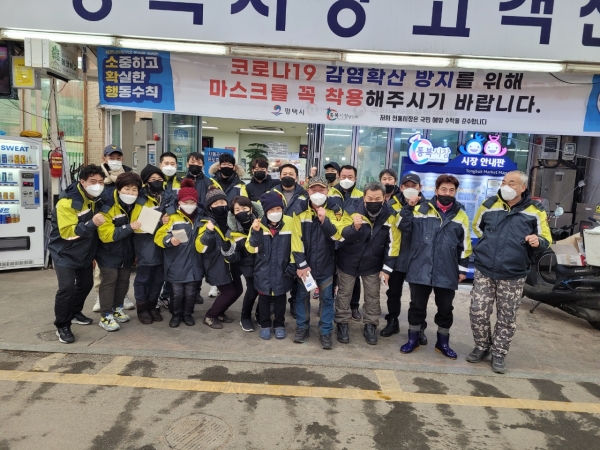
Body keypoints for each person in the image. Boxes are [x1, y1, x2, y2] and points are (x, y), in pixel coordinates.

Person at [467, 171, 551, 374]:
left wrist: (537, 241)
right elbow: (477, 227)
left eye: (512, 183)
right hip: (485, 269)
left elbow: (546, 239)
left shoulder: (535, 210)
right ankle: (482, 346)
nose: (506, 186)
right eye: (504, 182)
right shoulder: (489, 205)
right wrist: (489, 244)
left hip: (513, 273)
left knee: (507, 316)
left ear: (523, 187)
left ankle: (499, 353)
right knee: (478, 311)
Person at [399, 175, 472, 359]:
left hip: (447, 269)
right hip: (420, 266)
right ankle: (413, 339)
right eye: (443, 189)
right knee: (416, 306)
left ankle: (442, 343)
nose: (447, 193)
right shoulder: (420, 209)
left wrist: (463, 269)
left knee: (445, 308)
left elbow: (465, 244)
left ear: (455, 192)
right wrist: (408, 207)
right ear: (436, 190)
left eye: (451, 190)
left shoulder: (461, 215)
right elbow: (403, 227)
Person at [335, 182, 401, 346]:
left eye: (377, 199)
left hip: (373, 263)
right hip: (348, 261)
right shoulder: (351, 210)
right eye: (370, 198)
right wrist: (354, 227)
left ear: (384, 198)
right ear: (364, 197)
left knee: (372, 296)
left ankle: (371, 325)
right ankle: (342, 323)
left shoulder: (391, 215)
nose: (373, 201)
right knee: (344, 294)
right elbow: (340, 233)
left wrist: (387, 268)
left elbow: (393, 244)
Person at [48, 164, 106, 344]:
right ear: (82, 182)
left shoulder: (96, 199)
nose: (97, 185)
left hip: (85, 253)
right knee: (66, 288)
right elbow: (67, 233)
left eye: (101, 182)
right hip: (64, 252)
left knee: (86, 284)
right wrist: (92, 224)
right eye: (93, 181)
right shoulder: (67, 202)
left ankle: (74, 312)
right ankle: (62, 325)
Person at [292, 176, 342, 350]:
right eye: (314, 190)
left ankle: (325, 331)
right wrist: (301, 264)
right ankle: (302, 327)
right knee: (301, 297)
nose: (318, 193)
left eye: (322, 190)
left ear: (328, 191)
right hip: (305, 266)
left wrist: (324, 220)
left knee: (327, 299)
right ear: (308, 191)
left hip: (327, 264)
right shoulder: (299, 211)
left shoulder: (335, 210)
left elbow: (338, 236)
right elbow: (295, 239)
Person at [379, 171, 428, 344]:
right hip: (397, 255)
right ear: (401, 187)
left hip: (418, 257)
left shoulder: (427, 206)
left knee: (418, 296)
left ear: (420, 188)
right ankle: (392, 321)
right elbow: (394, 228)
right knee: (393, 292)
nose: (410, 189)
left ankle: (419, 327)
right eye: (406, 186)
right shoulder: (391, 204)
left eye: (414, 186)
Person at [246, 192, 299, 341]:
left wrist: (293, 264)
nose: (275, 212)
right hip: (263, 271)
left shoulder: (290, 222)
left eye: (278, 209)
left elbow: (296, 244)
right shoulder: (258, 224)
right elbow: (251, 248)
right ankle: (265, 325)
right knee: (264, 301)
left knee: (280, 300)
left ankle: (279, 325)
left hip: (282, 270)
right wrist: (256, 232)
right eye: (271, 210)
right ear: (265, 211)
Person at [96, 172, 143, 332]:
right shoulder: (107, 205)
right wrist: (129, 227)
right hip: (108, 252)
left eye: (134, 190)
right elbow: (106, 234)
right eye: (127, 189)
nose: (130, 193)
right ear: (119, 189)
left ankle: (117, 308)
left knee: (123, 280)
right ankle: (106, 315)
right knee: (110, 280)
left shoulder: (137, 205)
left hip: (127, 251)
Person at [154, 179, 204, 328]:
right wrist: (169, 240)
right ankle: (176, 314)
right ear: (179, 202)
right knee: (177, 293)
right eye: (185, 202)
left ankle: (187, 314)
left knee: (190, 293)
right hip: (176, 262)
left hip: (194, 263)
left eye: (192, 202)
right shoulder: (172, 217)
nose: (189, 204)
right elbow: (159, 236)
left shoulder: (201, 217)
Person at [131, 164, 176, 325]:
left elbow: (173, 215)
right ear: (146, 181)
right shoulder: (140, 198)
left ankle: (152, 305)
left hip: (163, 243)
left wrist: (168, 220)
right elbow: (136, 223)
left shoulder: (168, 196)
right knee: (144, 277)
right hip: (146, 243)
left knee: (159, 278)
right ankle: (142, 308)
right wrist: (159, 220)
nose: (157, 181)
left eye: (159, 178)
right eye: (152, 179)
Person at [92, 145, 135, 312]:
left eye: (118, 158)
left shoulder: (129, 174)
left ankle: (121, 297)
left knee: (123, 271)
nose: (115, 161)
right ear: (104, 158)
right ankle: (100, 296)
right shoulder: (99, 176)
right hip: (104, 221)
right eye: (111, 158)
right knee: (104, 270)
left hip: (125, 222)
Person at [196, 187, 244, 329]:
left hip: (231, 262)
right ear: (209, 206)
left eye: (222, 202)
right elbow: (200, 246)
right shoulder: (206, 222)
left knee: (238, 290)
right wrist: (209, 232)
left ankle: (220, 312)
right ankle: (210, 316)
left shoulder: (231, 219)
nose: (220, 205)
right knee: (229, 292)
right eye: (215, 203)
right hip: (215, 264)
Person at [269, 163, 308, 318]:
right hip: (277, 238)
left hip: (297, 238)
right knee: (276, 271)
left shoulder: (304, 195)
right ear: (279, 176)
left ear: (296, 177)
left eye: (291, 174)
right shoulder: (272, 193)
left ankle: (294, 303)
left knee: (296, 272)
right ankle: (273, 302)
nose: (287, 176)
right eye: (284, 174)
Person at [329, 165, 364, 321]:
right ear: (338, 176)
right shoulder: (329, 193)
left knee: (353, 277)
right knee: (330, 276)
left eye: (350, 177)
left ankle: (354, 306)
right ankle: (329, 304)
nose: (346, 179)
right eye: (343, 176)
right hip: (331, 240)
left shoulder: (361, 196)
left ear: (355, 178)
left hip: (351, 242)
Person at [225, 196, 264, 332]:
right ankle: (245, 317)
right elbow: (233, 255)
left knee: (264, 290)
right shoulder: (232, 230)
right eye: (237, 209)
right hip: (246, 263)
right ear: (233, 213)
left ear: (251, 209)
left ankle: (260, 314)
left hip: (263, 262)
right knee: (252, 290)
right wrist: (227, 250)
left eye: (244, 208)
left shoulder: (262, 223)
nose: (241, 211)